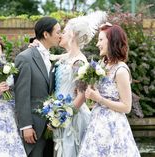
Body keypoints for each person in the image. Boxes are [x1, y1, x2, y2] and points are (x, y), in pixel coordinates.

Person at [48, 11, 106, 157]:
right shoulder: (65, 58)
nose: (61, 34)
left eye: (65, 31)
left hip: (73, 117)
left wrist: (61, 117)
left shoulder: (79, 62)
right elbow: (48, 55)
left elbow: (81, 96)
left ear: (72, 34)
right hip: (61, 113)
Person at [78, 23, 141, 157]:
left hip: (113, 129)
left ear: (112, 42)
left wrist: (99, 98)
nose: (97, 44)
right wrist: (91, 93)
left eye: (101, 40)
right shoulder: (102, 65)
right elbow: (96, 99)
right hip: (96, 125)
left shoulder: (121, 70)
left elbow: (126, 107)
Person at [14, 17, 61, 157]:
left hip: (51, 126)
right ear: (46, 34)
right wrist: (26, 126)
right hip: (33, 127)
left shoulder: (51, 57)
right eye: (58, 32)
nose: (60, 35)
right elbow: (22, 94)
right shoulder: (25, 58)